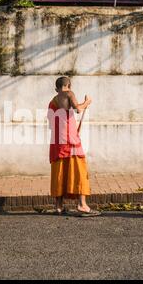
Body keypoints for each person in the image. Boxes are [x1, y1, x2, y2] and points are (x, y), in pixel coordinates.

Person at [47, 76, 100, 216]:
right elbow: (78, 109)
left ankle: (58, 206)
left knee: (60, 172)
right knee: (80, 171)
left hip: (57, 142)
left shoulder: (52, 101)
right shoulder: (69, 93)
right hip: (70, 142)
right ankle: (82, 205)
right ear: (68, 86)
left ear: (56, 89)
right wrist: (87, 102)